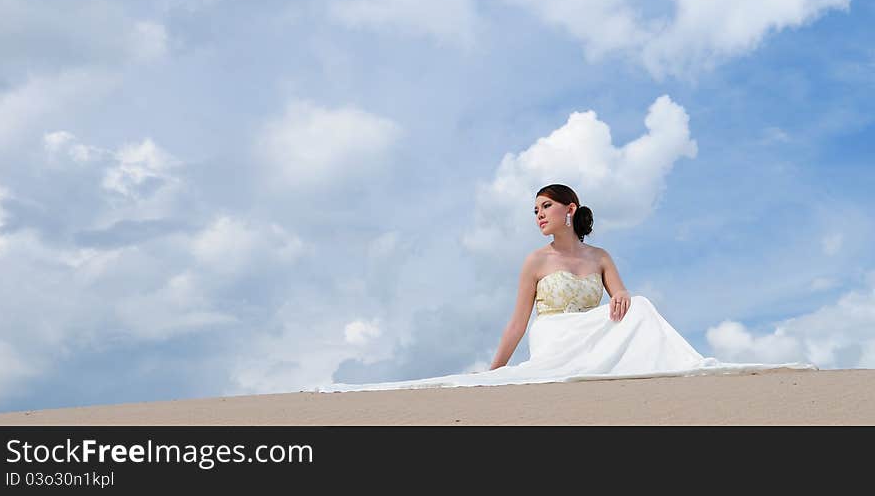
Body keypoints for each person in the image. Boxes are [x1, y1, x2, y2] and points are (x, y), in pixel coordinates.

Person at [314, 184, 817, 393]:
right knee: (578, 338)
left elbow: (622, 296)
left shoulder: (599, 257)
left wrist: (619, 295)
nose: (538, 215)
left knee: (639, 304)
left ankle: (671, 365)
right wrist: (497, 370)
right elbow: (518, 321)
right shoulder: (534, 262)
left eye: (546, 207)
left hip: (597, 329)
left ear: (569, 210)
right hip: (555, 336)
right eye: (534, 210)